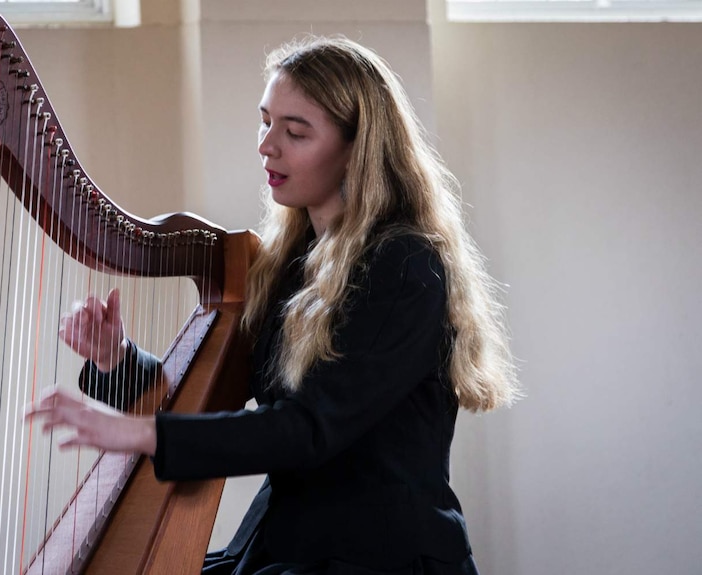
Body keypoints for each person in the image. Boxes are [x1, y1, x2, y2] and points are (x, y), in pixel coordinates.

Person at [26, 36, 518, 575]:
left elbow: (308, 431)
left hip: (378, 555)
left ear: (357, 148)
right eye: (266, 122)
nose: (267, 145)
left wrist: (139, 434)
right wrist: (116, 360)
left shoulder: (403, 265)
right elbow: (217, 395)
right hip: (289, 544)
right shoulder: (291, 260)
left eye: (295, 131)